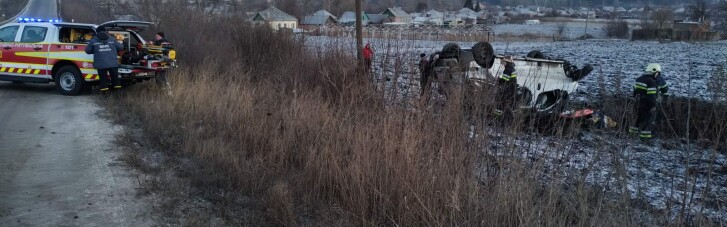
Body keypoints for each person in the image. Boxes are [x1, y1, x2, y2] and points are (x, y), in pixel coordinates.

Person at [629, 63, 662, 142]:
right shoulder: (651, 82)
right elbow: (652, 96)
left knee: (636, 119)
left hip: (637, 102)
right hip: (647, 104)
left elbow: (635, 92)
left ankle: (632, 136)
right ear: (655, 72)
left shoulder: (639, 79)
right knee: (648, 121)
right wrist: (653, 106)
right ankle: (645, 138)